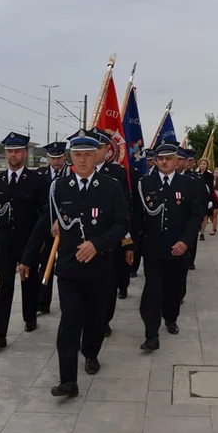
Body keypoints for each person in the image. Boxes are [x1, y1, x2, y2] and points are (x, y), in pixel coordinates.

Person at [21, 130, 129, 397]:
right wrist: (27, 257)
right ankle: (67, 380)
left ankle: (91, 353)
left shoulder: (111, 187)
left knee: (94, 319)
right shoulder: (58, 187)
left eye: (88, 155)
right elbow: (46, 222)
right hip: (69, 268)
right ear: (70, 158)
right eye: (77, 155)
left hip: (100, 266)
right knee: (70, 321)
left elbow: (122, 224)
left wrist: (97, 244)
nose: (82, 160)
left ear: (96, 156)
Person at [132, 141, 204, 351]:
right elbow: (137, 216)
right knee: (152, 289)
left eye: (169, 158)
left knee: (174, 289)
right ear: (155, 160)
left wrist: (185, 241)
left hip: (179, 247)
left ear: (176, 161)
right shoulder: (145, 183)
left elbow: (195, 215)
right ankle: (151, 334)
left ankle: (170, 318)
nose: (164, 162)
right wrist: (131, 247)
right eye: (160, 158)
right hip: (152, 247)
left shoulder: (189, 185)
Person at [0, 132, 47, 348]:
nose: (13, 155)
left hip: (28, 242)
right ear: (5, 154)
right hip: (4, 243)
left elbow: (43, 213)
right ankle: (0, 334)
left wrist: (42, 239)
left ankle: (30, 317)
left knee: (29, 283)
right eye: (9, 151)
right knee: (4, 287)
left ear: (25, 154)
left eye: (17, 151)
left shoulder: (37, 180)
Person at [89, 127, 132, 336]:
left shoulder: (117, 173)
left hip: (108, 239)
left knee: (108, 283)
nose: (94, 151)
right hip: (83, 239)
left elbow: (124, 209)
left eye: (99, 147)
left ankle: (105, 319)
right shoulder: (74, 172)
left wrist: (127, 241)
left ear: (107, 149)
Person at [36, 141, 72, 314]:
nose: (56, 162)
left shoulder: (71, 173)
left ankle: (68, 302)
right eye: (52, 158)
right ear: (47, 158)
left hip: (67, 227)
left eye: (59, 157)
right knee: (45, 265)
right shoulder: (40, 175)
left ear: (65, 157)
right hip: (46, 228)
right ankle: (43, 303)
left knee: (66, 266)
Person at [197, 157, 212, 241]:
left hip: (206, 197)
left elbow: (211, 188)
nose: (202, 165)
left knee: (205, 214)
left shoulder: (209, 175)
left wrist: (211, 200)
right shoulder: (196, 174)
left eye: (204, 164)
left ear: (207, 165)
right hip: (198, 197)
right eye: (201, 164)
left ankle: (202, 233)